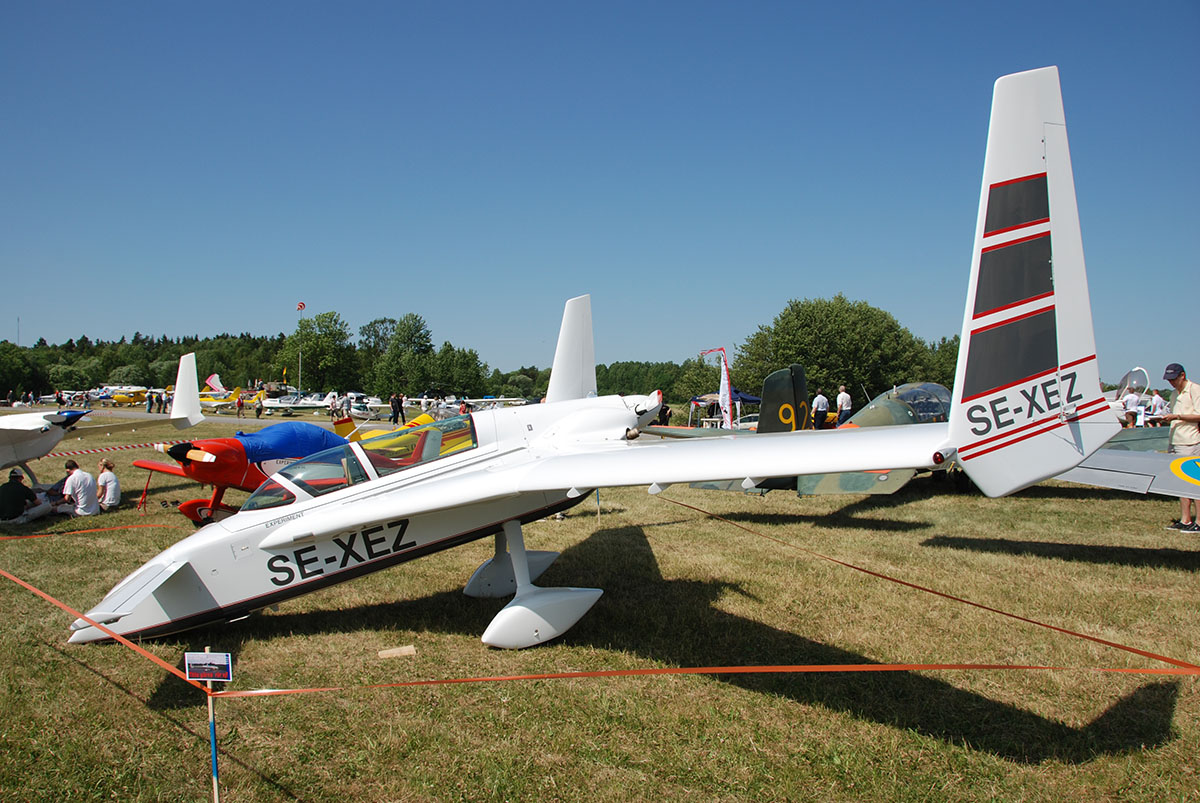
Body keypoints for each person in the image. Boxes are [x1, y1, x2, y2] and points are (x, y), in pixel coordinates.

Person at [1161, 363, 1200, 532]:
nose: (1171, 382)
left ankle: (1199, 522)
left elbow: (1198, 414)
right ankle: (1185, 519)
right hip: (1175, 440)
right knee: (1180, 483)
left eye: (1174, 379)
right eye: (1169, 379)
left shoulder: (1194, 389)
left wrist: (1177, 416)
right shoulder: (1173, 394)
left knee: (1194, 481)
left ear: (1182, 375)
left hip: (1190, 441)